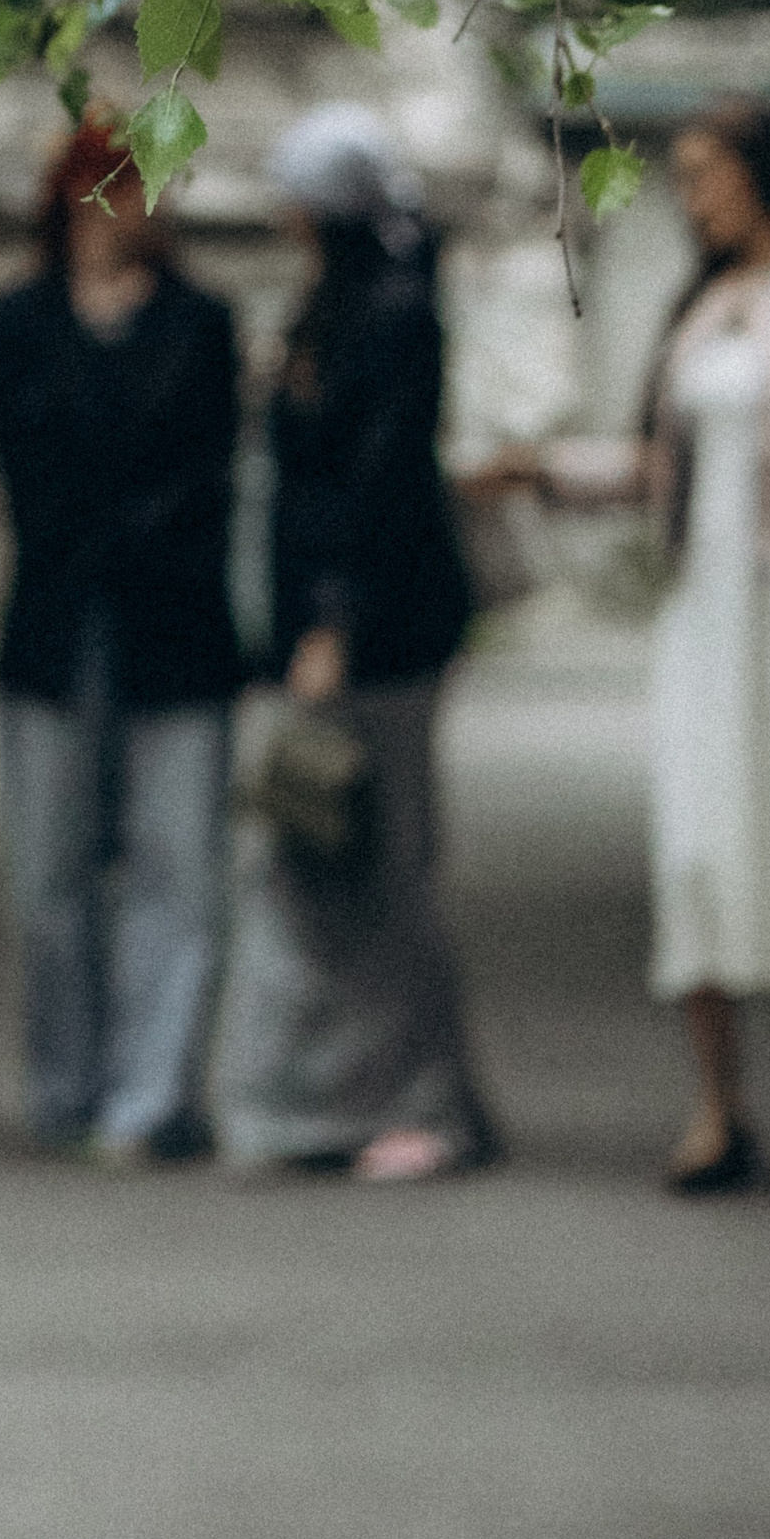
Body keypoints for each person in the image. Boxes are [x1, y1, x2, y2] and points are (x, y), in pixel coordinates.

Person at [484, 96, 770, 1199]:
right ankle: (718, 1107)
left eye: (702, 172)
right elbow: (660, 469)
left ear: (760, 170)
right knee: (700, 845)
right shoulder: (705, 305)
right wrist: (540, 471)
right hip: (706, 617)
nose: (688, 197)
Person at [216, 105, 495, 1185]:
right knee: (322, 864)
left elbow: (370, 482)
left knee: (376, 863)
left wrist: (330, 623)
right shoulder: (348, 303)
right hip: (339, 629)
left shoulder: (386, 314)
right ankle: (329, 1102)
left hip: (374, 638)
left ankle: (422, 1105)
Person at [0, 111, 241, 1163]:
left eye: (142, 185)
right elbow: (21, 469)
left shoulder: (201, 322)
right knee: (50, 878)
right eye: (109, 184)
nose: (128, 206)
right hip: (52, 627)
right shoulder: (17, 321)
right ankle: (68, 1085)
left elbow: (206, 473)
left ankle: (151, 1093)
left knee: (177, 872)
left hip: (173, 627)